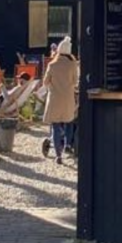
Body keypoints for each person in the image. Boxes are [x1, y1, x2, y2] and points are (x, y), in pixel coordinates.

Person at [41, 36, 78, 164]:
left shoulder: (52, 65)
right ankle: (67, 144)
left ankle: (58, 155)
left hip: (54, 99)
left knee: (56, 125)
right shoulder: (72, 64)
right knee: (69, 121)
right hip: (68, 98)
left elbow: (45, 82)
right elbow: (75, 81)